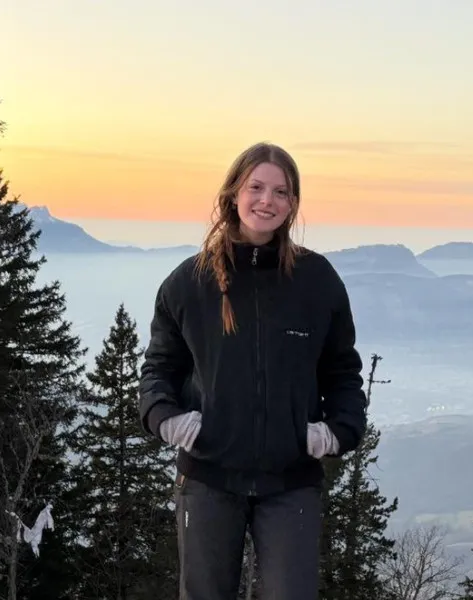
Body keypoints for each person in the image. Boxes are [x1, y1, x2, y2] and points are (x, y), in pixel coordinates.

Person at [139, 142, 367, 600]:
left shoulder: (316, 281)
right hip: (208, 476)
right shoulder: (189, 283)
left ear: (293, 203)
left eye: (281, 192)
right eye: (256, 188)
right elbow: (159, 368)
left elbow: (343, 371)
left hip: (291, 480)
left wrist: (336, 431)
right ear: (233, 194)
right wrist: (166, 418)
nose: (267, 201)